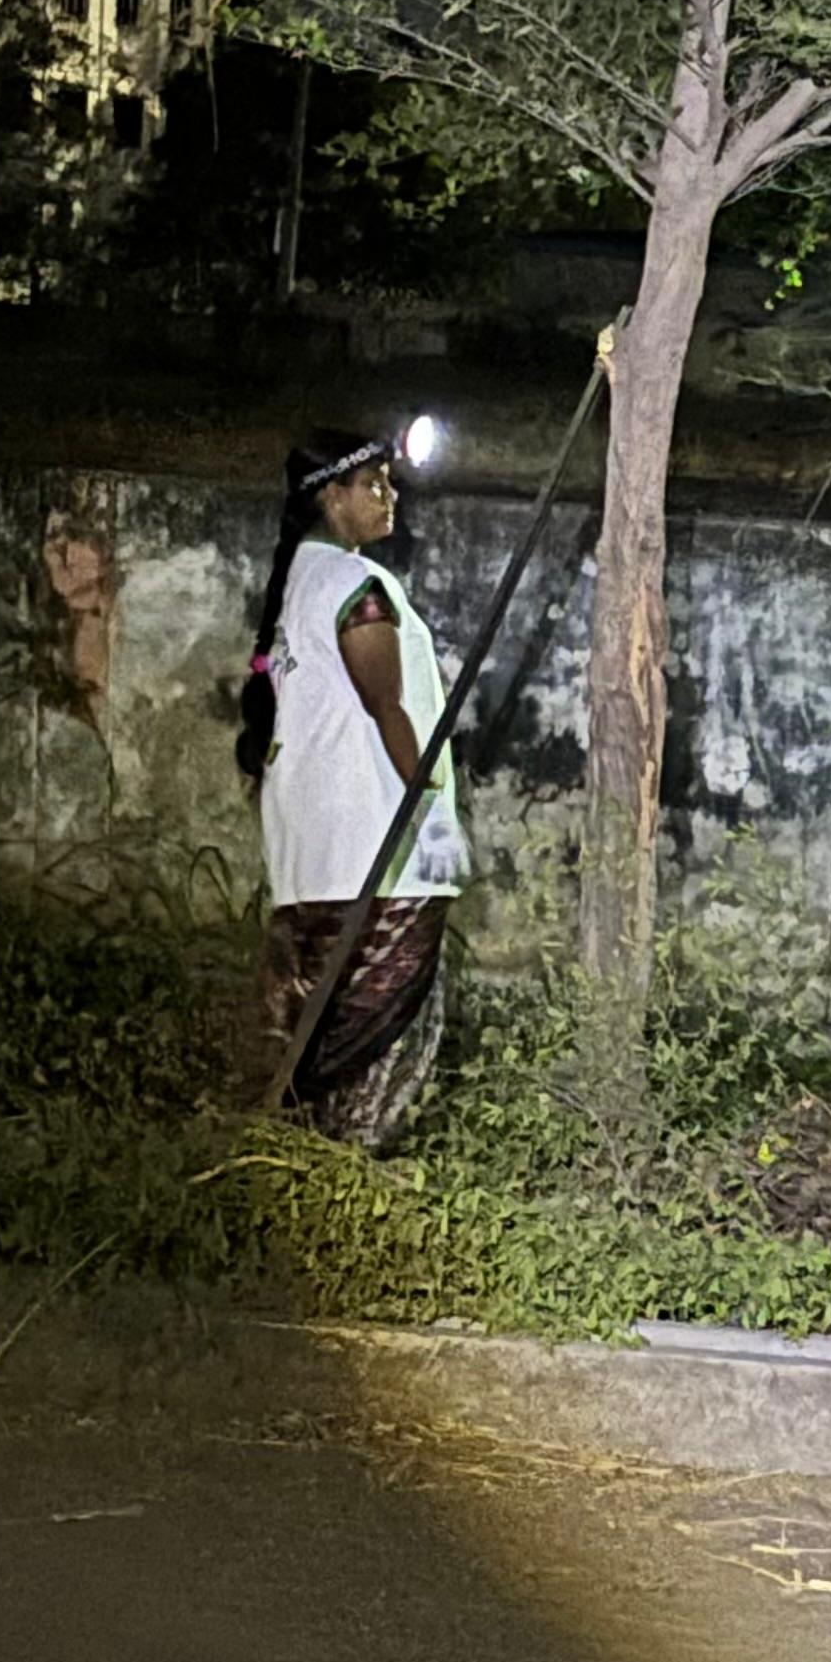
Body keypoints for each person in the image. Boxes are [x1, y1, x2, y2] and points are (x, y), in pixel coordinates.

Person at [237, 425, 473, 1149]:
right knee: (382, 1025)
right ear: (331, 498)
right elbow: (387, 707)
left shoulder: (296, 586)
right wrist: (433, 817)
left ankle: (302, 1153)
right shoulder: (356, 588)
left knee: (317, 1020)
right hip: (379, 845)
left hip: (312, 856)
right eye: (372, 484)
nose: (389, 495)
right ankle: (351, 1160)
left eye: (389, 482)